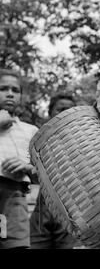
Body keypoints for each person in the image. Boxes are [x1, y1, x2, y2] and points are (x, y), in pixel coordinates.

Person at [29, 92, 79, 249]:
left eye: (69, 109)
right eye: (60, 109)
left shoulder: (83, 141)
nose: (65, 112)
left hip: (72, 212)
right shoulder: (38, 141)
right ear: (50, 114)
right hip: (41, 210)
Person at [0, 69, 38, 249]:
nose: (10, 94)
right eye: (3, 88)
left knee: (16, 245)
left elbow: (42, 174)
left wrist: (28, 167)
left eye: (15, 90)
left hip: (15, 196)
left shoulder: (30, 131)